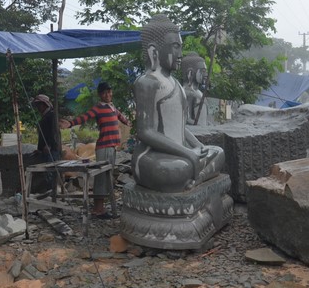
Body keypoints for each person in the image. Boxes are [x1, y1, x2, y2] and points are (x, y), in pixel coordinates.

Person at [131, 14, 224, 193]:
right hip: (153, 156)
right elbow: (146, 132)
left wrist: (198, 146)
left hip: (180, 152)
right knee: (175, 169)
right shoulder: (146, 82)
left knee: (218, 152)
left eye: (180, 47)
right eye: (175, 47)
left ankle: (197, 179)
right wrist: (187, 153)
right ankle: (194, 175)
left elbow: (180, 127)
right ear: (153, 51)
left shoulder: (177, 85)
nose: (180, 54)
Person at [60, 81, 128, 217]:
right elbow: (85, 117)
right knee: (101, 177)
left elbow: (120, 116)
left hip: (112, 147)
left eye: (109, 92)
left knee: (107, 177)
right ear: (100, 95)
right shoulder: (98, 108)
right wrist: (71, 123)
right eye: (104, 93)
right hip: (104, 147)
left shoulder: (112, 107)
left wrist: (128, 121)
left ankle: (101, 207)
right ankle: (98, 209)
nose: (107, 95)